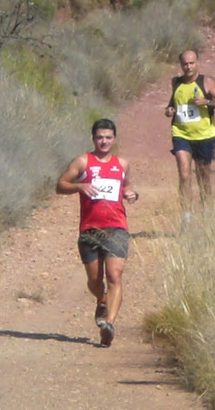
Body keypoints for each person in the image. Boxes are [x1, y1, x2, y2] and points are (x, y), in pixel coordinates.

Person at [56, 118, 138, 347]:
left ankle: (109, 323)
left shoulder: (122, 163)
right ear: (93, 138)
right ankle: (101, 299)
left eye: (108, 137)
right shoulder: (83, 161)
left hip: (117, 227)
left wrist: (131, 194)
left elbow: (127, 186)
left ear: (114, 139)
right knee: (94, 280)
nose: (104, 141)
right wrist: (79, 186)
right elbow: (60, 185)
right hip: (90, 228)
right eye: (100, 137)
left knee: (115, 276)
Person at [165, 50, 215, 223]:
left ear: (198, 63)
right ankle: (187, 217)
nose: (188, 67)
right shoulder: (176, 82)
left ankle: (208, 214)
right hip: (181, 134)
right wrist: (169, 109)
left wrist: (206, 102)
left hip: (204, 136)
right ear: (181, 65)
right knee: (184, 174)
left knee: (203, 178)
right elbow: (173, 103)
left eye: (191, 63)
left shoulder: (206, 82)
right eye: (185, 64)